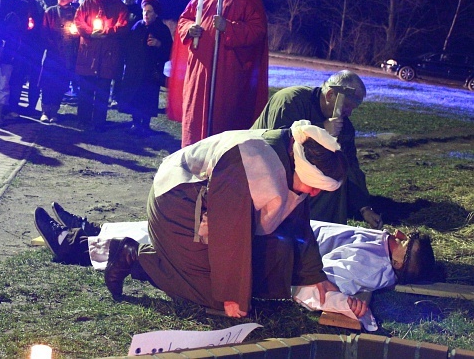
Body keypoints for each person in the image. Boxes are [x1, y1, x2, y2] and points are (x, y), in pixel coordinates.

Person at [34, 121, 369, 319]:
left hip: (204, 202)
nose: (312, 194)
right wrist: (230, 295)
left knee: (255, 273)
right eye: (313, 187)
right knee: (210, 294)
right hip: (177, 199)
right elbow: (229, 232)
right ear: (304, 170)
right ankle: (133, 257)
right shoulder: (255, 166)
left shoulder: (293, 156)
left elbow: (298, 228)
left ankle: (122, 249)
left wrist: (317, 279)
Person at [35, 205, 436, 296]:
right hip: (277, 231)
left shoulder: (373, 265)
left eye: (404, 241)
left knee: (170, 241)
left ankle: (72, 246)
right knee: (166, 226)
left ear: (402, 261)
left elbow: (324, 278)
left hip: (269, 247)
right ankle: (89, 230)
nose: (398, 235)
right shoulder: (378, 243)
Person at [251, 70, 382, 229]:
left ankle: (322, 234)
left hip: (301, 182)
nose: (349, 112)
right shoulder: (290, 101)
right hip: (260, 171)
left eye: (353, 108)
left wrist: (364, 207)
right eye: (347, 105)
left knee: (333, 180)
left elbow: (350, 167)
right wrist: (321, 130)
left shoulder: (344, 127)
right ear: (330, 95)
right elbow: (276, 146)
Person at [172, 0, 269, 148]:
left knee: (222, 117)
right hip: (200, 70)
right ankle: (193, 158)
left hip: (229, 71)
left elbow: (257, 31)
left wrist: (229, 27)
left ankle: (219, 164)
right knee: (196, 114)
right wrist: (189, 29)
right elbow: (184, 19)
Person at [73, 0, 129, 131]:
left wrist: (106, 31)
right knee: (86, 89)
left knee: (103, 90)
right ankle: (83, 119)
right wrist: (91, 33)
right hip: (89, 53)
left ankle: (98, 122)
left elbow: (122, 25)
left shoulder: (119, 6)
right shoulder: (88, 3)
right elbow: (78, 21)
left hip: (107, 54)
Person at [118, 0, 172, 135]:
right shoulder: (138, 26)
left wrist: (159, 44)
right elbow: (128, 45)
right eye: (144, 11)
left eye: (149, 11)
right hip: (134, 69)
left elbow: (169, 50)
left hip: (150, 71)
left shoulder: (162, 29)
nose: (146, 14)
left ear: (156, 13)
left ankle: (145, 125)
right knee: (134, 96)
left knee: (147, 98)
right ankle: (135, 123)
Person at [39, 0, 79, 123]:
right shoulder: (50, 11)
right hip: (52, 54)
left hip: (67, 55)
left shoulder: (75, 13)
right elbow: (44, 32)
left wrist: (73, 35)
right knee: (47, 82)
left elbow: (78, 33)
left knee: (60, 83)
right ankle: (45, 110)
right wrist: (52, 42)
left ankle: (54, 111)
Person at [9, 0, 44, 115]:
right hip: (14, 43)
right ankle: (12, 106)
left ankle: (31, 107)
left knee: (32, 76)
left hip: (30, 44)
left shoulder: (31, 1)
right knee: (15, 76)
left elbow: (37, 21)